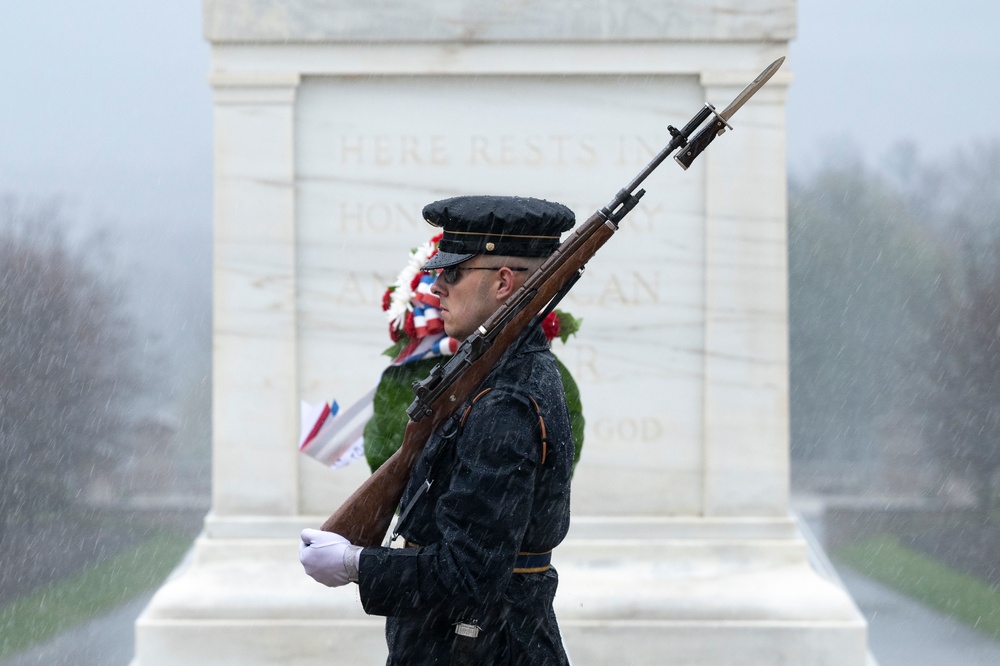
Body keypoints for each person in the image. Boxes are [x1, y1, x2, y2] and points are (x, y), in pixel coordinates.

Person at [300, 195, 578, 665]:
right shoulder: (493, 377)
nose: (436, 287)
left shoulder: (504, 403)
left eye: (452, 274)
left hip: (480, 650)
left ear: (504, 283)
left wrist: (356, 564)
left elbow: (471, 573)